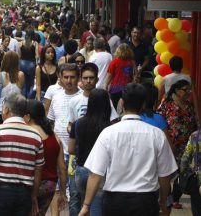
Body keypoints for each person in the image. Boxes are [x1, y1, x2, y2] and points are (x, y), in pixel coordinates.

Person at [79, 83, 177, 216]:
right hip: (146, 201)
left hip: (115, 202)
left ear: (122, 102)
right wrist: (163, 201)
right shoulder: (157, 134)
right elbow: (165, 175)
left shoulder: (108, 133)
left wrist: (86, 205)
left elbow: (95, 174)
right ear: (143, 104)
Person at [0, 94, 44, 215]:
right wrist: (33, 197)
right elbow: (38, 170)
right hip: (24, 195)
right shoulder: (36, 135)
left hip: (0, 193)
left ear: (6, 109)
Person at [68, 89, 112, 216]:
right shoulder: (109, 127)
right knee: (96, 207)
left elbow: (71, 149)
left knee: (85, 205)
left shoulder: (77, 124)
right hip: (101, 173)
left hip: (81, 170)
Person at [47, 63, 82, 216]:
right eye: (65, 77)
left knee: (74, 193)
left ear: (78, 78)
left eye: (72, 77)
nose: (69, 80)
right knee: (55, 189)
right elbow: (50, 122)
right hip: (58, 152)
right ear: (60, 78)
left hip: (77, 154)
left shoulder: (83, 98)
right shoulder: (55, 96)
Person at [158, 79, 198, 209]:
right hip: (170, 145)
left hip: (186, 146)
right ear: (177, 90)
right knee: (168, 173)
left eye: (189, 90)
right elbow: (160, 123)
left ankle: (174, 198)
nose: (188, 93)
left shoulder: (189, 105)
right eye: (186, 90)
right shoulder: (167, 105)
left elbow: (193, 123)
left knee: (183, 171)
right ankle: (165, 198)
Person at [25, 99, 67, 216]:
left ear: (28, 116)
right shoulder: (55, 137)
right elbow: (62, 168)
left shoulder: (28, 135)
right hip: (50, 186)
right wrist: (63, 193)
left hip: (30, 184)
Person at [104, 43, 135, 108]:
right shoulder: (131, 62)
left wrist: (105, 86)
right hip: (128, 88)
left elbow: (109, 76)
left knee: (114, 107)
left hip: (115, 88)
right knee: (126, 107)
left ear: (118, 51)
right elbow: (134, 75)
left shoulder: (114, 61)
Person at [180, 128, 201, 215]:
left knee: (197, 209)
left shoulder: (195, 136)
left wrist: (183, 173)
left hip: (197, 180)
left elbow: (185, 158)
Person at [18, 29, 39, 98]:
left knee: (24, 83)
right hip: (31, 65)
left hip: (22, 64)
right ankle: (29, 99)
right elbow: (37, 56)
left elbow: (19, 55)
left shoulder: (21, 43)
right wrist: (38, 65)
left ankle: (24, 98)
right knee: (31, 83)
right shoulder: (35, 43)